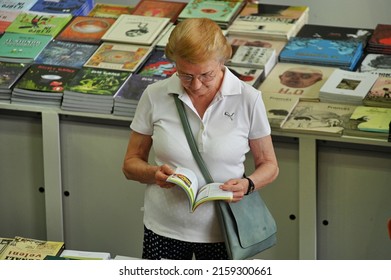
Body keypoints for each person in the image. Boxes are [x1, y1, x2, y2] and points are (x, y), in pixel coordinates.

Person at [122, 18, 279, 260]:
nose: (195, 85)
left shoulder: (248, 99)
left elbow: (269, 165)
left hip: (224, 231)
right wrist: (154, 174)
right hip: (165, 228)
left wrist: (248, 184)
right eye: (185, 75)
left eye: (206, 75)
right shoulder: (155, 95)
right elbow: (131, 164)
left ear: (222, 61)